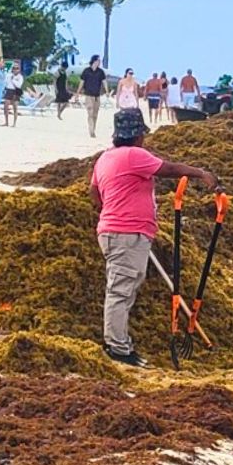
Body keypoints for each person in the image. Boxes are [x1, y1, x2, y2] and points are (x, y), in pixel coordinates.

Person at [90, 110, 221, 368]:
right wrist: (201, 173)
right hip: (126, 233)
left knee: (125, 285)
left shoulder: (105, 158)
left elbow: (94, 190)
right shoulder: (133, 154)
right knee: (121, 289)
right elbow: (168, 169)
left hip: (118, 231)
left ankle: (117, 342)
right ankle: (117, 347)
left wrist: (110, 209)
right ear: (138, 135)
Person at [79, 56, 106, 138]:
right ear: (94, 61)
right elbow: (82, 82)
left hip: (97, 96)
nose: (99, 62)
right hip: (88, 95)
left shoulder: (101, 72)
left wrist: (107, 91)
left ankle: (93, 128)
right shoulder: (86, 71)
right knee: (90, 113)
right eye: (98, 60)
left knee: (95, 114)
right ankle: (91, 131)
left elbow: (104, 82)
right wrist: (78, 92)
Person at [1, 62, 24, 126]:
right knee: (6, 106)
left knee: (15, 107)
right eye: (14, 68)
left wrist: (13, 80)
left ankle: (14, 123)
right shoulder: (8, 75)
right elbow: (6, 83)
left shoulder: (20, 77)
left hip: (16, 91)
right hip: (9, 90)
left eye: (17, 68)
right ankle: (6, 122)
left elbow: (18, 85)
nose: (15, 70)